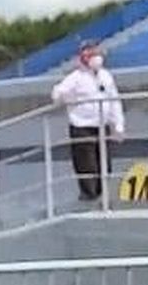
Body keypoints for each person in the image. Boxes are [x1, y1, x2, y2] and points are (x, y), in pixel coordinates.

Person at [51, 41, 125, 202]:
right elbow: (58, 93)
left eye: (95, 53)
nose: (94, 58)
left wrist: (118, 124)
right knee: (86, 164)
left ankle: (100, 195)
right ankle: (89, 195)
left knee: (105, 165)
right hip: (82, 126)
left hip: (102, 126)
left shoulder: (106, 76)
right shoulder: (75, 78)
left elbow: (114, 101)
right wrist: (63, 97)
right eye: (89, 55)